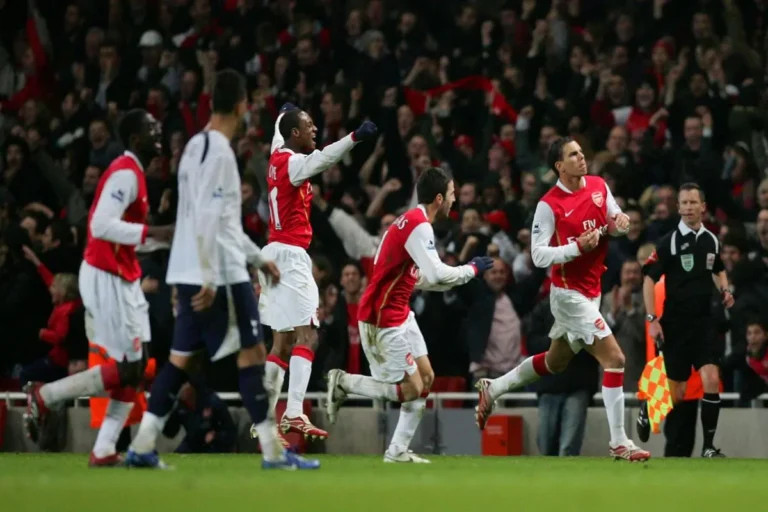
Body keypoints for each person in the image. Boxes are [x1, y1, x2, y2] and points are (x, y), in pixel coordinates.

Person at [124, 70, 317, 470]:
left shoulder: (194, 146)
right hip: (217, 273)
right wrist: (213, 276)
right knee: (253, 355)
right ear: (242, 105)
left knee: (179, 361)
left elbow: (200, 215)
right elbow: (216, 219)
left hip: (189, 267)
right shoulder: (221, 154)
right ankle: (273, 453)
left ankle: (142, 444)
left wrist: (259, 259)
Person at [474, 136, 651, 462]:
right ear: (559, 165)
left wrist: (621, 224)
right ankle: (619, 442)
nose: (581, 158)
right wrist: (576, 248)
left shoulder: (598, 185)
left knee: (555, 361)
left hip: (592, 291)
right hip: (568, 295)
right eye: (573, 155)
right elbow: (539, 255)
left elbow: (614, 220)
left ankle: (493, 388)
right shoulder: (549, 204)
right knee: (615, 359)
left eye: (582, 152)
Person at [22, 109, 173, 467]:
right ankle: (46, 395)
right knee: (129, 367)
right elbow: (102, 224)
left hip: (122, 274)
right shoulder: (126, 173)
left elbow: (125, 237)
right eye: (152, 129)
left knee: (138, 366)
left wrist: (162, 239)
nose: (159, 133)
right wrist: (152, 232)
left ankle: (105, 448)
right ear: (135, 139)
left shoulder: (134, 173)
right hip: (106, 276)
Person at [325, 166, 494, 463]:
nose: (455, 201)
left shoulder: (408, 222)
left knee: (426, 378)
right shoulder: (419, 225)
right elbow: (437, 272)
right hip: (381, 319)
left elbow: (425, 279)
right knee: (411, 388)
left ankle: (397, 450)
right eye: (453, 195)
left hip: (399, 313)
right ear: (439, 198)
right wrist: (472, 269)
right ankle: (344, 383)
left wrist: (463, 273)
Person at [258, 103, 377, 440]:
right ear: (294, 133)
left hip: (272, 253)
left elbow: (279, 129)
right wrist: (353, 138)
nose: (315, 129)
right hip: (292, 256)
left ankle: (264, 417)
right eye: (308, 125)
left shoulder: (277, 153)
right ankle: (294, 413)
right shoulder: (294, 163)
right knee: (309, 333)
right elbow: (323, 159)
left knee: (281, 341)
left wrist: (285, 113)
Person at [637, 182, 733, 458]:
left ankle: (708, 447)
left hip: (703, 322)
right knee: (677, 394)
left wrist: (725, 289)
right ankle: (649, 405)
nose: (689, 207)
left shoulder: (711, 240)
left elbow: (717, 269)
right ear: (678, 207)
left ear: (703, 206)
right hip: (676, 324)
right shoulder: (668, 242)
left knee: (711, 377)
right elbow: (648, 279)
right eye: (685, 203)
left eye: (694, 202)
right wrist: (652, 318)